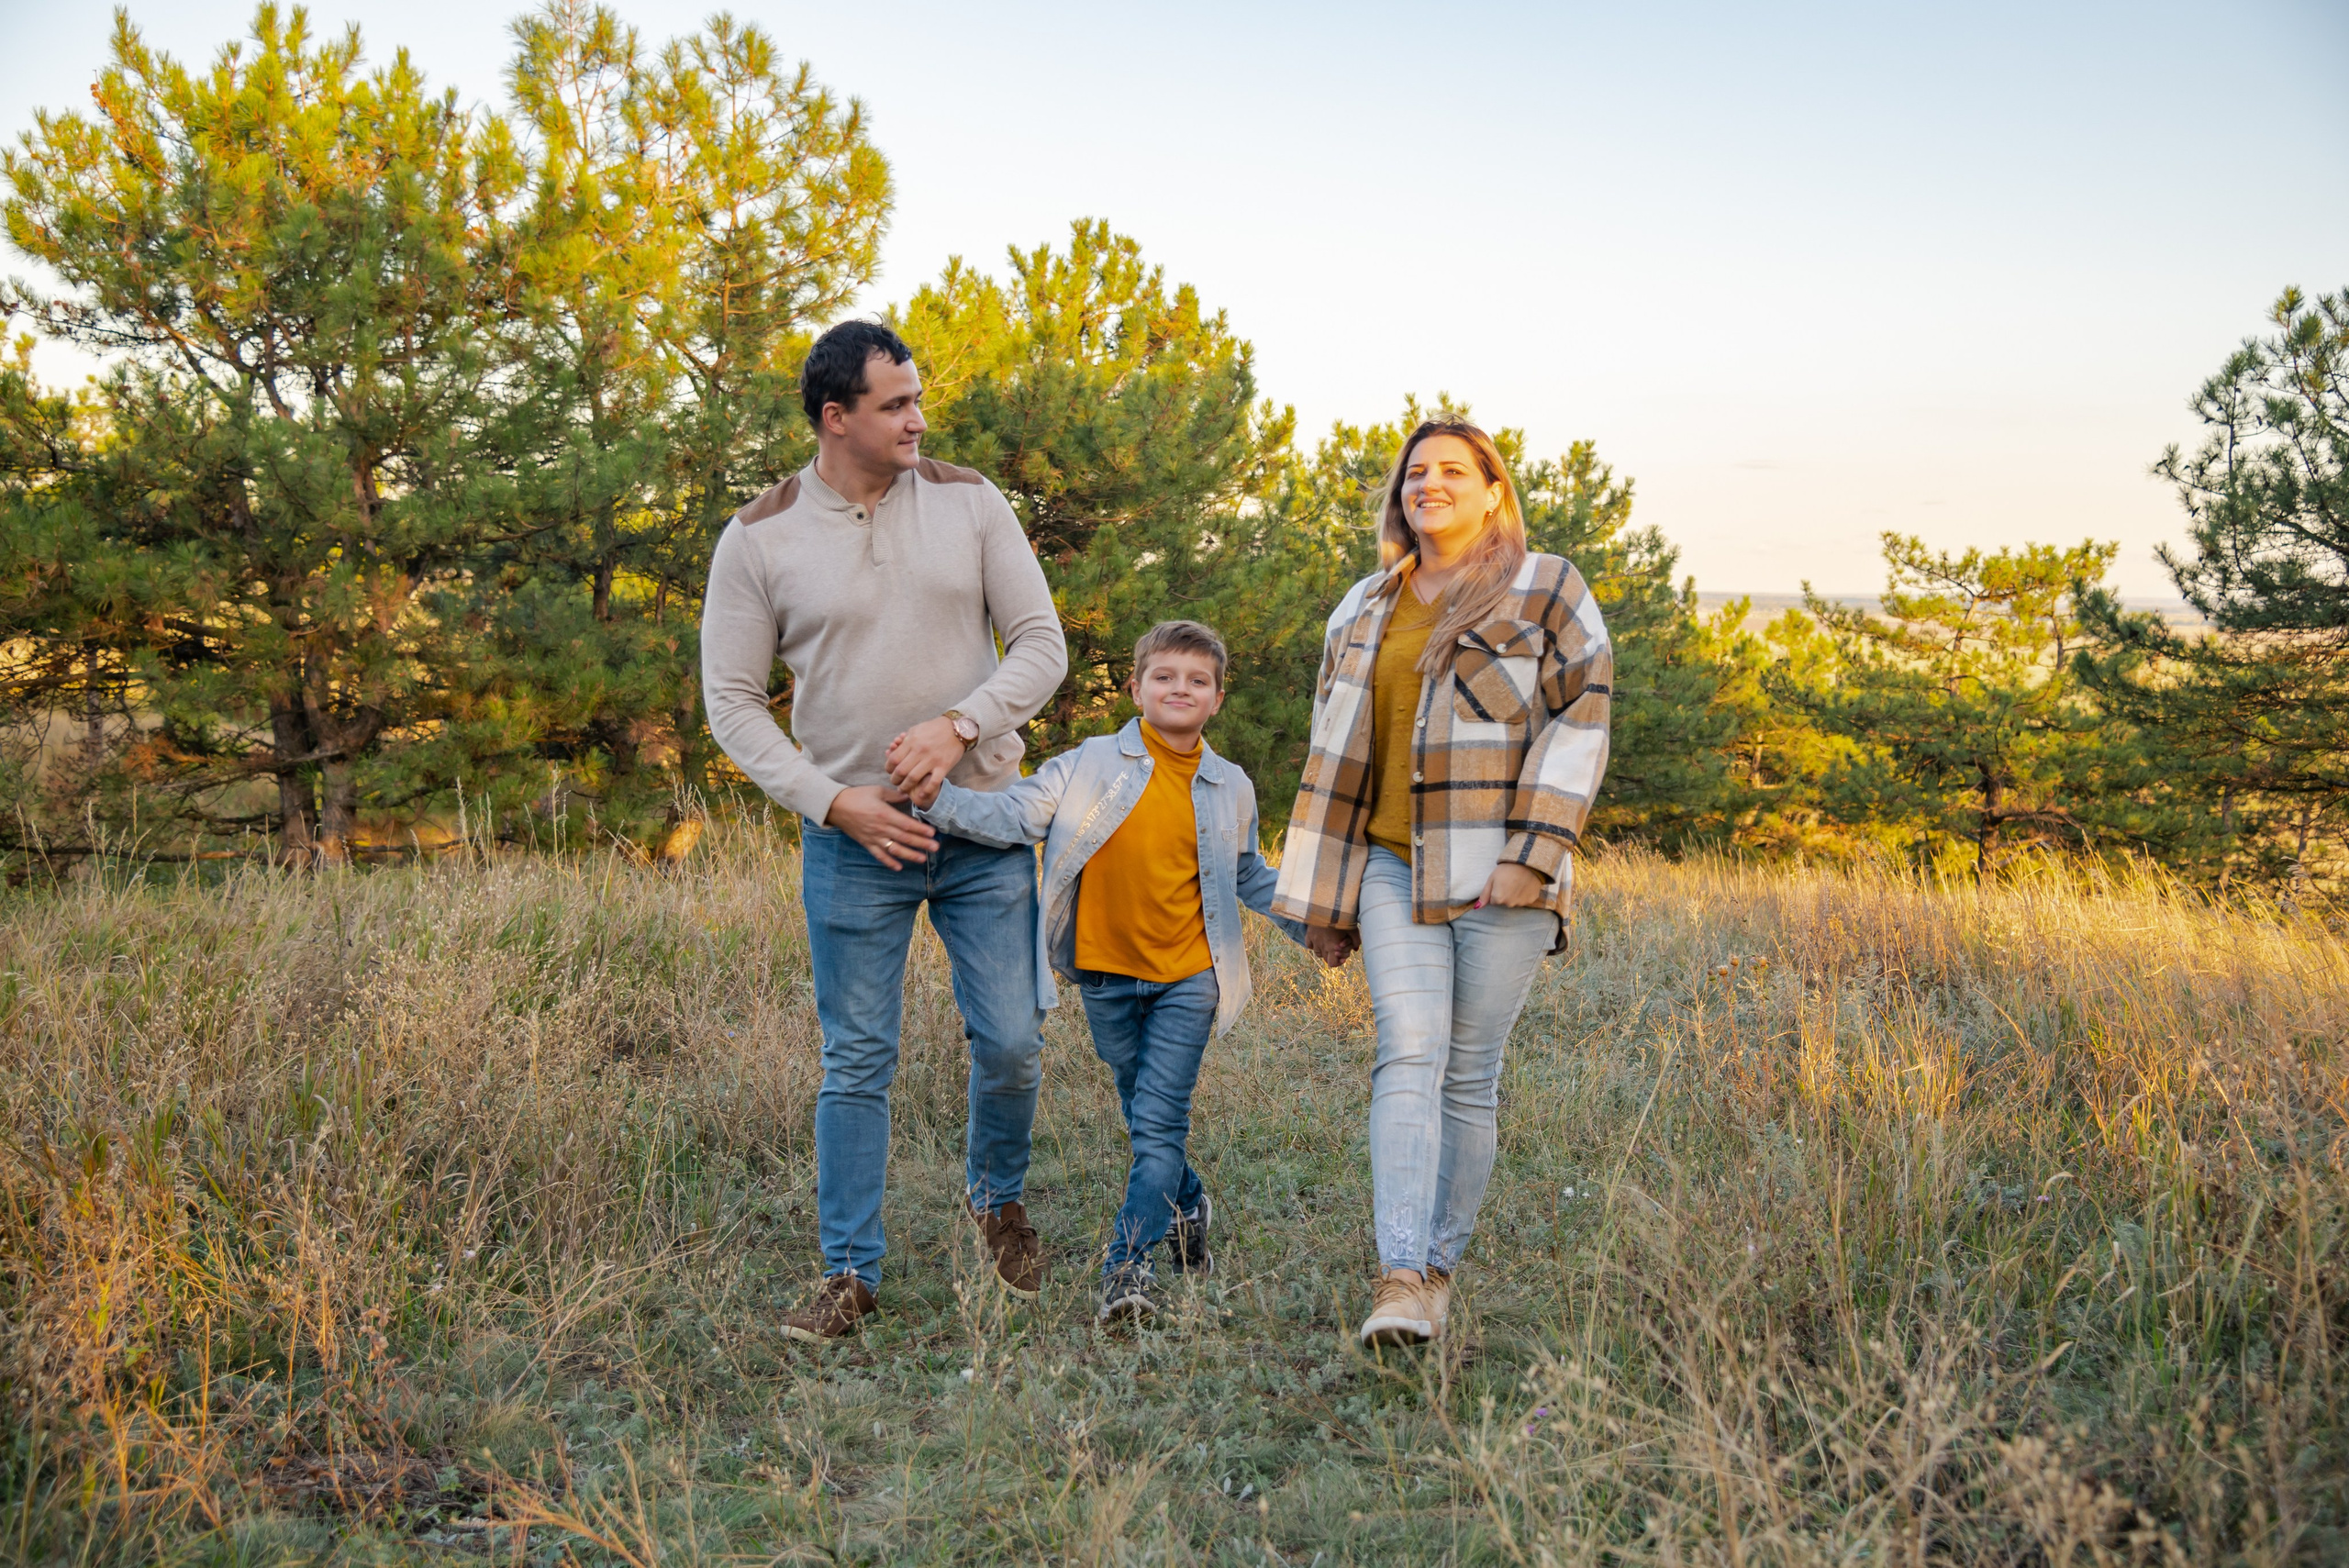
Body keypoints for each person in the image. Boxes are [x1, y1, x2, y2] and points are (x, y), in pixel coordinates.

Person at [700, 320, 1069, 1342]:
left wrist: (962, 725)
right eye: (895, 404)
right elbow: (731, 703)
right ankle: (849, 1273)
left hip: (984, 822)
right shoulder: (759, 536)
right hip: (853, 840)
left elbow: (1042, 645)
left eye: (916, 398)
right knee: (857, 1057)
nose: (918, 418)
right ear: (836, 417)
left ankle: (997, 1199)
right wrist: (835, 801)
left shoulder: (970, 501)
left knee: (1011, 1040)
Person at [1272, 417, 1612, 1347]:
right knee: (1407, 1052)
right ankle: (1398, 1272)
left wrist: (1528, 854)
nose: (1431, 483)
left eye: (1454, 470)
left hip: (1501, 874)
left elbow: (1579, 721)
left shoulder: (1548, 588)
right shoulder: (1361, 605)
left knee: (1467, 1075)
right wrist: (1328, 894)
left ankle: (1439, 1268)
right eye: (1416, 471)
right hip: (1389, 864)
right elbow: (1334, 753)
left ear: (1494, 490)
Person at [911, 621, 1316, 1324]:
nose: (1179, 689)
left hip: (1190, 977)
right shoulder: (1090, 763)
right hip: (1104, 978)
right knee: (1143, 1115)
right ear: (1136, 687)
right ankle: (1188, 1202)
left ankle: (1128, 1266)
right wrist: (936, 797)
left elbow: (1248, 873)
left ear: (1218, 697)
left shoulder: (1230, 784)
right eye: (1164, 676)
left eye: (1197, 680)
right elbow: (1012, 813)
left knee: (1158, 1126)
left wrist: (1314, 925)